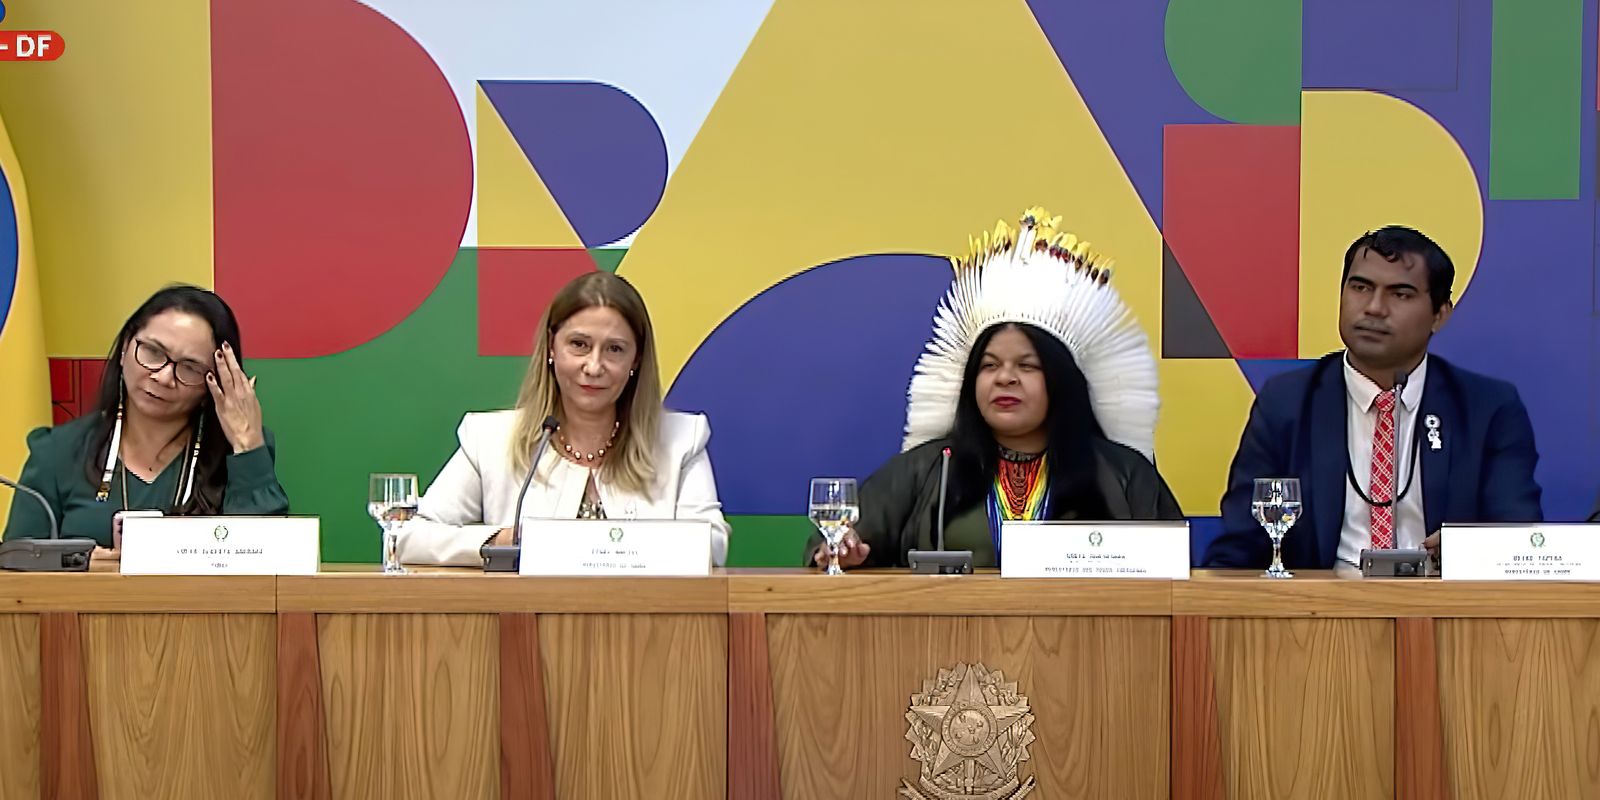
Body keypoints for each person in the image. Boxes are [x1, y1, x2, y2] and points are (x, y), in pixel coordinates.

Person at [811, 208, 1182, 569]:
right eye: (989, 366)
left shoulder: (1122, 473)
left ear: (1061, 381)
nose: (1005, 378)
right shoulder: (931, 468)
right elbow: (836, 544)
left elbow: (1176, 574)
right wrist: (841, 549)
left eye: (1027, 365)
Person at [1204, 226, 1542, 570]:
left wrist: (1469, 551)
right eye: (1361, 288)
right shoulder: (1288, 402)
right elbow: (1239, 547)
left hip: (1440, 599)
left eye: (1401, 294)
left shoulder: (1487, 408)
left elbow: (1517, 544)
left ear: (1439, 315)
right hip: (1323, 600)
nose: (1374, 308)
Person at [396, 271, 731, 566]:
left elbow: (712, 545)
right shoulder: (489, 439)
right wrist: (503, 541)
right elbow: (410, 537)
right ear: (552, 348)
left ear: (636, 360)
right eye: (579, 344)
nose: (594, 366)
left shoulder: (681, 439)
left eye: (614, 349)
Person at [2, 285, 288, 555]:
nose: (163, 377)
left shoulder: (241, 453)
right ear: (125, 348)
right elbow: (15, 566)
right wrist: (81, 562)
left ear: (213, 383)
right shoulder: (57, 452)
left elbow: (269, 562)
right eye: (153, 352)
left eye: (190, 368)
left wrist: (247, 444)